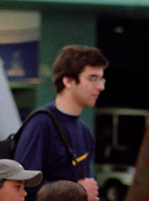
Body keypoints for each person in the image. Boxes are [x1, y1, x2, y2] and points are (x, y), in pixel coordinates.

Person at [14, 45, 108, 201]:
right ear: (68, 81)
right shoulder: (41, 124)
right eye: (93, 79)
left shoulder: (84, 131)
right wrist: (78, 192)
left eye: (101, 79)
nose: (101, 86)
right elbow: (23, 185)